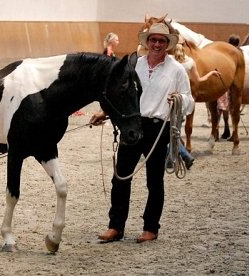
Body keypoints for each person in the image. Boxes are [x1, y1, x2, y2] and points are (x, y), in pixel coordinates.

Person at [90, 23, 195, 244]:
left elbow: (190, 101)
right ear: (147, 42)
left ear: (168, 44)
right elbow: (122, 95)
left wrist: (179, 100)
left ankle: (151, 227)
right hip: (133, 126)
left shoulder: (176, 70)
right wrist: (105, 111)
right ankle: (115, 226)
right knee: (120, 176)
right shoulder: (134, 66)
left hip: (158, 128)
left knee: (154, 181)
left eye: (162, 41)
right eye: (153, 40)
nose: (157, 44)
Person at [171, 38, 221, 168]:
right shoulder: (190, 62)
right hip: (184, 100)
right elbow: (199, 80)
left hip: (171, 100)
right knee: (174, 129)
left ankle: (182, 156)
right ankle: (179, 155)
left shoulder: (169, 62)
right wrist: (211, 73)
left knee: (171, 129)